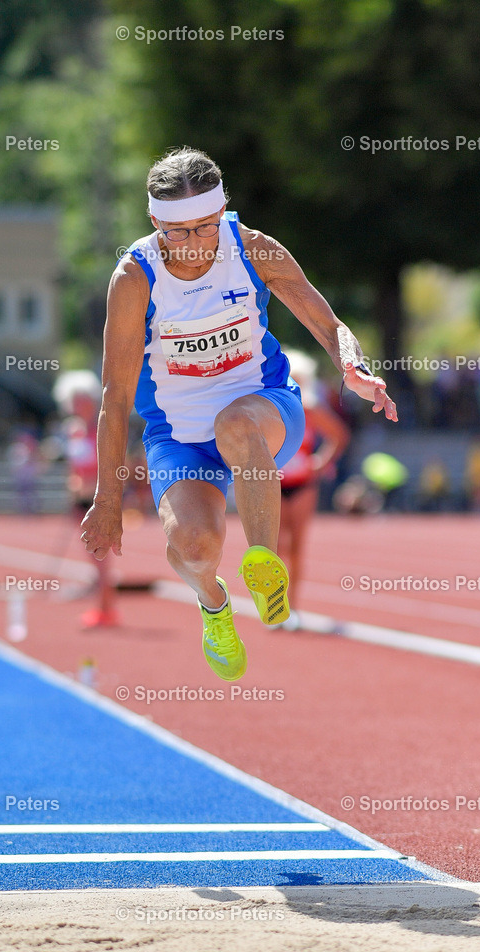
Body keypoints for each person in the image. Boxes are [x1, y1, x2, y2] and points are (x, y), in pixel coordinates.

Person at [81, 147, 397, 680]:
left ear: (221, 211)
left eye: (205, 227)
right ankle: (212, 603)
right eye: (178, 232)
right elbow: (114, 396)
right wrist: (107, 498)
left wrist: (353, 368)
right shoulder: (135, 278)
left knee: (236, 422)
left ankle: (264, 565)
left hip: (264, 406)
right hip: (178, 434)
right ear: (156, 221)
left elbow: (328, 323)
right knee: (194, 547)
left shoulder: (252, 248)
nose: (194, 245)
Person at [277, 350, 350, 630]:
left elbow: (339, 435)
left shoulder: (310, 411)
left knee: (296, 547)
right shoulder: (270, 408)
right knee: (275, 547)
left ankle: (292, 608)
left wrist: (322, 461)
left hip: (303, 483)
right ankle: (276, 604)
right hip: (275, 483)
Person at [54, 370, 119, 628]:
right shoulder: (73, 431)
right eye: (74, 400)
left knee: (101, 559)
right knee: (93, 558)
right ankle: (102, 606)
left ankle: (107, 609)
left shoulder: (100, 430)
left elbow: (107, 467)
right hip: (78, 502)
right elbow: (74, 466)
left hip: (96, 501)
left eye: (82, 399)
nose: (78, 404)